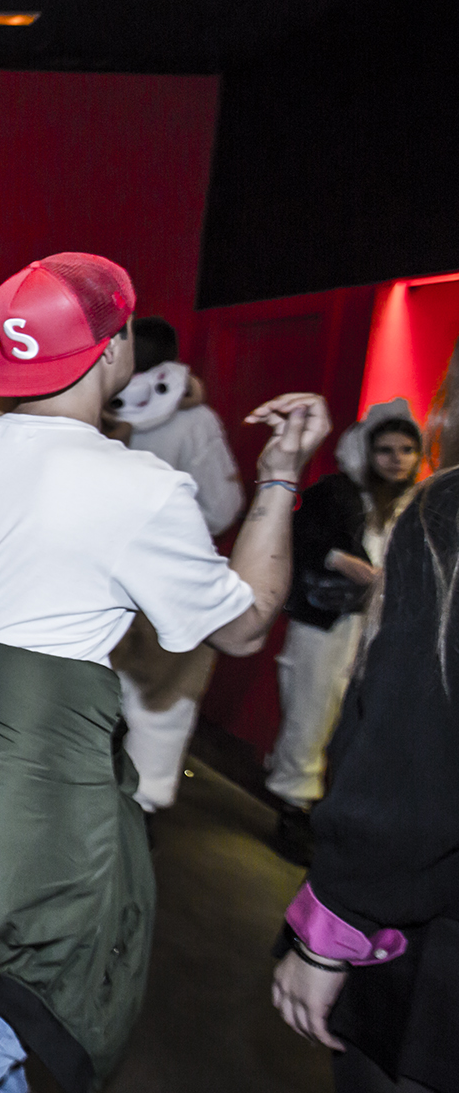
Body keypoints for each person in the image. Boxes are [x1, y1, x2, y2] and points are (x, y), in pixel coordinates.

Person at [0, 253, 330, 1093]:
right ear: (112, 350)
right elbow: (245, 623)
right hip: (21, 808)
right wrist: (281, 477)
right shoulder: (135, 486)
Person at [270, 352, 459, 1093]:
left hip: (432, 956)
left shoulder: (442, 516)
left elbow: (412, 752)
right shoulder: (349, 499)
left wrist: (334, 923)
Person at [265, 399, 422, 862]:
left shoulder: (415, 506)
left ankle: (327, 813)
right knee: (312, 710)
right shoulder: (338, 493)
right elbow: (301, 536)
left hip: (384, 631)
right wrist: (338, 559)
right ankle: (293, 808)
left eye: (406, 450)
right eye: (386, 450)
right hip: (329, 621)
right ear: (367, 451)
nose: (396, 459)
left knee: (355, 719)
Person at [103, 315, 247, 812]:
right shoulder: (194, 420)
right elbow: (223, 508)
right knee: (162, 705)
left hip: (99, 574)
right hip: (167, 581)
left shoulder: (89, 407)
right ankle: (139, 815)